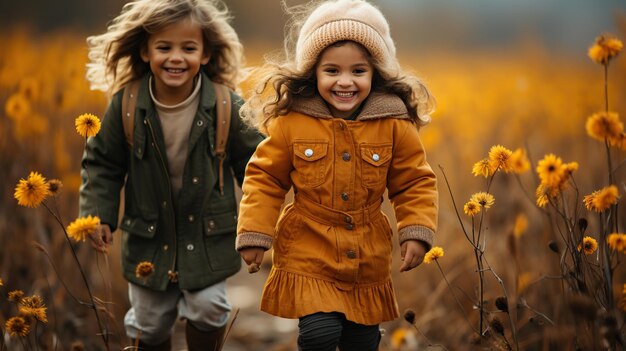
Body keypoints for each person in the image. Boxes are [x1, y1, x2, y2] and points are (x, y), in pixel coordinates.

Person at [236, 0, 438, 350]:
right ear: (312, 72)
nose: (345, 82)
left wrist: (416, 231)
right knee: (319, 335)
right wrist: (255, 232)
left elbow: (413, 182)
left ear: (376, 74)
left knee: (361, 340)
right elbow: (265, 178)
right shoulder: (292, 122)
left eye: (358, 71)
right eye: (332, 71)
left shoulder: (394, 124)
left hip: (366, 254)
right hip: (308, 247)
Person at [79, 0, 262, 349]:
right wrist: (97, 214)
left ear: (206, 54)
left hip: (208, 235)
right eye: (164, 47)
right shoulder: (127, 104)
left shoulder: (226, 105)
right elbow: (102, 162)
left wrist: (259, 225)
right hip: (150, 234)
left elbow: (258, 166)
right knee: (149, 322)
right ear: (146, 51)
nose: (176, 57)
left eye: (188, 48)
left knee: (210, 308)